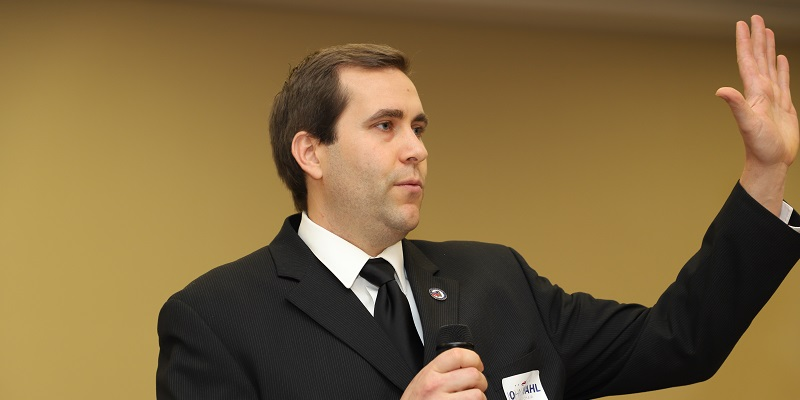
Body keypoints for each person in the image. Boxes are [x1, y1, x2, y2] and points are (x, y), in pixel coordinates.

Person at [156, 15, 799, 400]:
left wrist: (765, 172)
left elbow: (679, 341)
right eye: (384, 126)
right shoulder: (218, 318)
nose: (416, 148)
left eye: (418, 127)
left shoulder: (497, 281)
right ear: (311, 153)